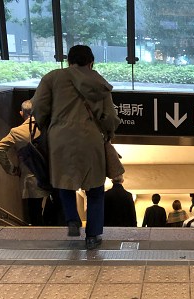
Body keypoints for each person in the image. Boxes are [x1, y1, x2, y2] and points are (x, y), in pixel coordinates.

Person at [32, 44, 120, 250]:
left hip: (60, 139)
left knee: (64, 181)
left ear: (68, 61)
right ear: (91, 63)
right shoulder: (99, 82)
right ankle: (93, 236)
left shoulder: (52, 78)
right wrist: (109, 133)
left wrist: (49, 126)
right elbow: (109, 116)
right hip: (91, 139)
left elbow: (38, 107)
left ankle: (72, 219)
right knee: (95, 189)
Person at [0, 99, 50, 226]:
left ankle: (40, 235)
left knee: (35, 213)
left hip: (32, 179)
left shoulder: (16, 132)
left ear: (21, 113)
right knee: (57, 208)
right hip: (52, 175)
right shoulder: (47, 127)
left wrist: (12, 169)